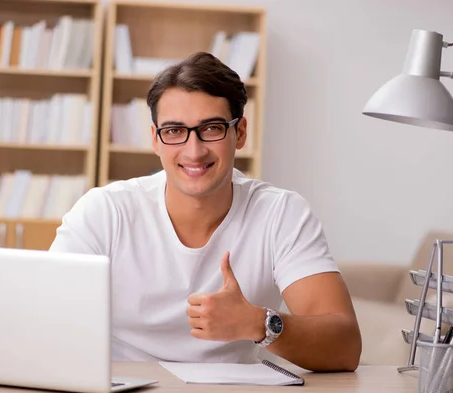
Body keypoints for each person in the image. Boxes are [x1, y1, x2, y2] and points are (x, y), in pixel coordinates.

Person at [49, 51, 362, 372]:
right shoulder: (106, 211)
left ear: (239, 133)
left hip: (228, 392)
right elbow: (43, 315)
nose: (194, 151)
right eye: (174, 131)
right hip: (120, 387)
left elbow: (345, 346)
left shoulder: (281, 213)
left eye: (211, 128)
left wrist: (256, 323)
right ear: (156, 140)